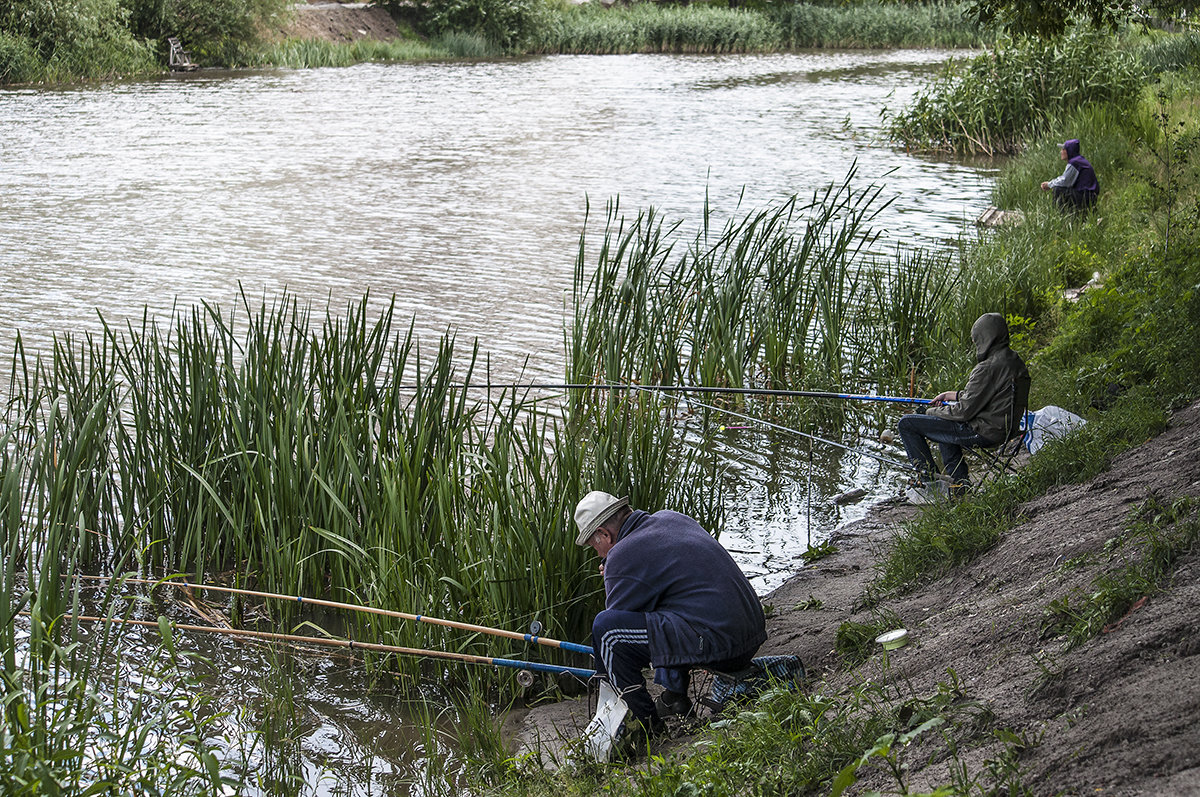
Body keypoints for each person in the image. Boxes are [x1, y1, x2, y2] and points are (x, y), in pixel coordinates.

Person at [574, 490, 766, 737]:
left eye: (595, 546)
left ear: (604, 534)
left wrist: (613, 572)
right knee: (666, 605)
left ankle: (644, 726)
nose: (599, 554)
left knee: (606, 632)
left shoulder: (622, 554)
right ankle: (674, 697)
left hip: (722, 645)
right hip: (751, 631)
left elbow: (618, 625)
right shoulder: (671, 518)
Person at [897, 313, 1031, 499]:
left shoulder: (987, 368)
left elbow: (963, 411)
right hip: (1006, 429)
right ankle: (960, 485)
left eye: (977, 339)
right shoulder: (1013, 360)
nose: (976, 343)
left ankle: (929, 484)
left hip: (984, 431)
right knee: (943, 425)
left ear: (985, 338)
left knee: (906, 424)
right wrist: (951, 395)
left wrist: (928, 411)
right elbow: (989, 396)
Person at [1041, 138, 1099, 213]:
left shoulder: (1074, 163)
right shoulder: (1079, 161)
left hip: (1086, 197)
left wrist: (1049, 184)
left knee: (1058, 190)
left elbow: (1065, 181)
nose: (1061, 152)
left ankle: (1059, 215)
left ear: (1069, 151)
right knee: (1063, 190)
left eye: (1063, 149)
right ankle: (1073, 215)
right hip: (1089, 196)